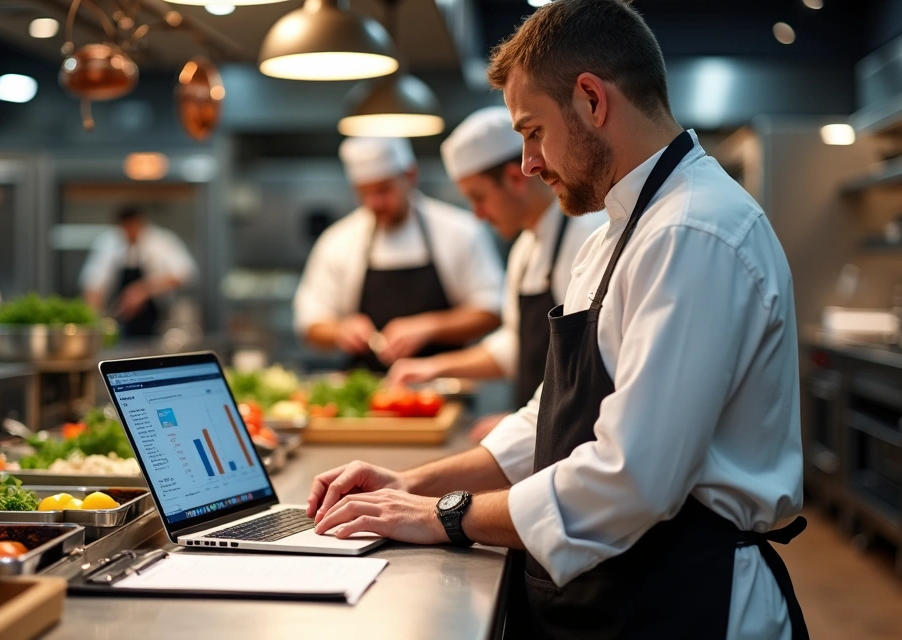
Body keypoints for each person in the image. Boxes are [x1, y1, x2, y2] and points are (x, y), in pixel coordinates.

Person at [302, 2, 809, 638]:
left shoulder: (692, 231)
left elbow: (632, 478)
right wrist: (412, 482)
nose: (529, 164)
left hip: (687, 599)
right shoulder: (614, 234)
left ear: (593, 100)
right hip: (620, 588)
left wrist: (446, 514)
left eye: (533, 130)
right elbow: (548, 420)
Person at [387, 106, 607, 441]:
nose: (477, 215)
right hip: (542, 434)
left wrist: (522, 424)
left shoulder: (586, 235)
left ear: (515, 178)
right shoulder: (524, 249)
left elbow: (589, 367)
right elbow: (517, 345)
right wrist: (434, 368)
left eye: (479, 198)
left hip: (574, 439)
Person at [294, 137, 504, 371]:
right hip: (365, 393)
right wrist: (340, 330)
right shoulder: (338, 241)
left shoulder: (460, 231)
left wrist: (429, 326)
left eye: (384, 190)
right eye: (364, 193)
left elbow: (492, 310)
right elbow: (310, 323)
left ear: (411, 176)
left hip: (445, 386)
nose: (375, 202)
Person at [79, 206, 198, 337]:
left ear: (141, 223)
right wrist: (94, 320)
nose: (129, 233)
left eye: (132, 228)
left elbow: (185, 273)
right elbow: (93, 283)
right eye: (125, 229)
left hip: (160, 322)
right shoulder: (108, 242)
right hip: (121, 323)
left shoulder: (162, 240)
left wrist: (143, 290)